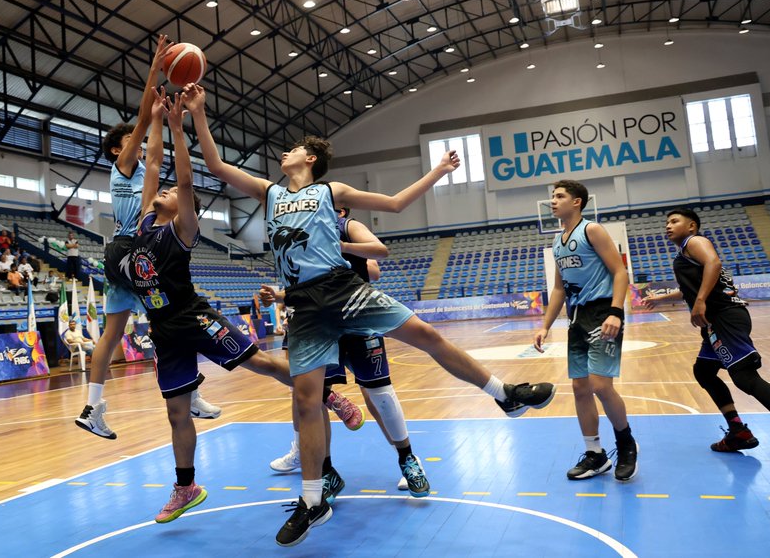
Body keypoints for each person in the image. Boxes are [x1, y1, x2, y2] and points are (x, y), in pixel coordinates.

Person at [188, 83, 556, 546]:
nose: (284, 153)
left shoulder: (331, 191)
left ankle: (505, 394)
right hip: (303, 304)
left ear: (310, 159)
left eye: (293, 149)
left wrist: (439, 170)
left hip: (344, 289)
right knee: (306, 401)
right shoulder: (270, 193)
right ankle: (312, 501)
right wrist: (197, 113)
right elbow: (216, 166)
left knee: (426, 335)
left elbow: (397, 203)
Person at [117, 93, 352, 526]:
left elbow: (184, 179)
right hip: (162, 328)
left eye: (171, 192)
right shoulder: (144, 223)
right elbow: (152, 164)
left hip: (193, 317)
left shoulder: (182, 229)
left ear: (182, 207)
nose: (164, 190)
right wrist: (156, 118)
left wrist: (178, 129)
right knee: (176, 412)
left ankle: (327, 395)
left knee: (262, 363)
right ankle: (186, 486)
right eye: (162, 191)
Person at [77, 35, 224, 439]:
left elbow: (156, 156)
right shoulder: (123, 166)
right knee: (176, 315)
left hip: (122, 256)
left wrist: (160, 119)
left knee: (114, 331)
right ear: (116, 150)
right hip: (136, 251)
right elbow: (142, 122)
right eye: (129, 141)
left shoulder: (144, 172)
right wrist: (156, 72)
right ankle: (191, 393)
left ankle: (92, 406)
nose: (137, 143)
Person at [644, 208, 770, 474]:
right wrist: (662, 298)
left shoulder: (695, 242)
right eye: (667, 222)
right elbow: (689, 290)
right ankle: (737, 431)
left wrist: (700, 301)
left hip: (726, 317)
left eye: (674, 221)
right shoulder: (684, 253)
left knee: (745, 377)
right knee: (704, 371)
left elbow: (714, 263)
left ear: (692, 226)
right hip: (715, 322)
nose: (668, 225)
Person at [262, 206, 430, 500]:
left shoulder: (347, 227)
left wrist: (342, 252)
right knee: (311, 395)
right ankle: (325, 470)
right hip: (318, 323)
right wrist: (281, 297)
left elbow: (375, 264)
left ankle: (408, 459)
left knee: (380, 393)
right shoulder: (299, 236)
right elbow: (303, 284)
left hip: (357, 316)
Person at [532, 180, 638, 483]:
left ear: (577, 201)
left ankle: (626, 444)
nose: (553, 201)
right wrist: (545, 325)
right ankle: (595, 454)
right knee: (580, 388)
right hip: (576, 318)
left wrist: (616, 312)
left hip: (603, 312)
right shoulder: (557, 241)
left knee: (600, 385)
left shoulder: (592, 230)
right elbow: (558, 289)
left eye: (559, 196)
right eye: (552, 196)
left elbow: (620, 272)